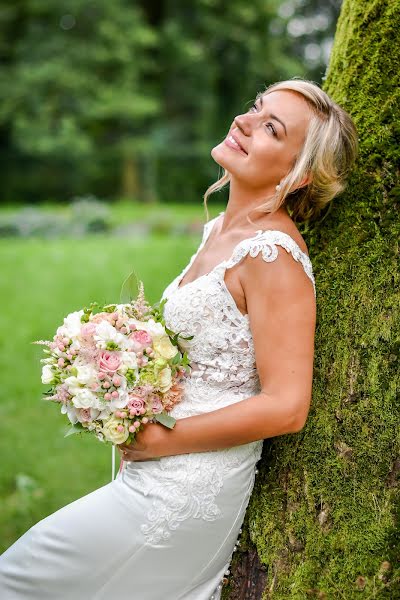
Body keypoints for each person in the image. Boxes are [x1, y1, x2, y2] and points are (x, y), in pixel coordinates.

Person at [0, 78, 358, 599]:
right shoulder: (219, 233)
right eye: (254, 109)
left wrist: (160, 440)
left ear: (298, 175)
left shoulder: (273, 256)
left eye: (270, 129)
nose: (244, 122)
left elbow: (287, 406)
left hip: (187, 490)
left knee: (19, 577)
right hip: (153, 468)